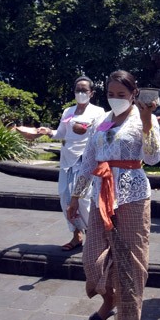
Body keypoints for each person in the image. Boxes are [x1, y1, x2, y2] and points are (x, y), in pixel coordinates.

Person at [67, 70, 160, 320]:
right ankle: (109, 302)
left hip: (132, 195)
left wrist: (146, 123)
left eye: (122, 94)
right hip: (101, 195)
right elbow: (89, 161)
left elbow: (154, 157)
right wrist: (75, 196)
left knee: (131, 260)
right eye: (111, 94)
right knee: (92, 258)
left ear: (134, 94)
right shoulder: (101, 120)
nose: (116, 99)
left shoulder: (144, 118)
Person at [32, 76, 106, 250]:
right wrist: (47, 131)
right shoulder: (68, 111)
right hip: (67, 159)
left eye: (84, 90)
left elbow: (102, 134)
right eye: (77, 90)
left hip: (85, 159)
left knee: (83, 199)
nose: (80, 93)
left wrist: (85, 130)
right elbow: (61, 133)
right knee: (65, 196)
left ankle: (94, 234)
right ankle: (76, 234)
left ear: (91, 93)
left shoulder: (98, 112)